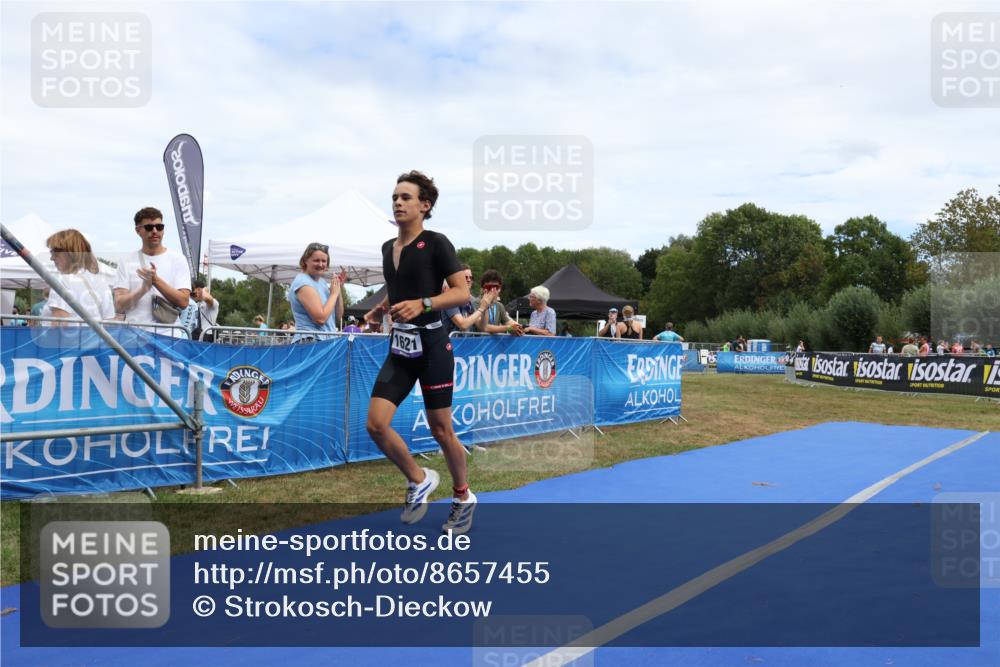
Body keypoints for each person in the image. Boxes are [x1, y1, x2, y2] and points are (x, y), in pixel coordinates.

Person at [363, 170, 476, 535]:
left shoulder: (437, 243)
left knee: (442, 430)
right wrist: (382, 307)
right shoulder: (386, 248)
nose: (398, 202)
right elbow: (399, 289)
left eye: (406, 197)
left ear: (425, 206)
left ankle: (463, 497)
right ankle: (419, 478)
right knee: (376, 425)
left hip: (432, 345)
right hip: (401, 347)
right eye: (395, 197)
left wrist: (424, 303)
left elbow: (460, 293)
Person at [112, 207, 190, 335]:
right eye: (149, 227)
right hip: (135, 336)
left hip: (169, 336)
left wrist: (156, 281)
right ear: (138, 230)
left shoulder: (178, 259)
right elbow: (119, 305)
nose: (155, 231)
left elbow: (183, 302)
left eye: (159, 227)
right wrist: (143, 289)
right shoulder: (126, 261)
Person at [44, 229, 117, 325]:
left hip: (67, 340)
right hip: (96, 339)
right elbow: (110, 324)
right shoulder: (102, 283)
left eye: (54, 252)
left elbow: (59, 327)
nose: (51, 258)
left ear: (70, 253)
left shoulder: (61, 282)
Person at [288, 243, 345, 343]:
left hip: (325, 342)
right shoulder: (303, 282)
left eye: (324, 261)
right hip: (310, 342)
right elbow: (320, 319)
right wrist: (333, 294)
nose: (321, 264)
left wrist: (338, 289)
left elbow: (338, 315)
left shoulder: (322, 282)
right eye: (316, 260)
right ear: (305, 260)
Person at [444, 264, 496, 332]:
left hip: (464, 342)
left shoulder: (469, 301)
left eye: (471, 278)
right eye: (465, 277)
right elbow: (463, 325)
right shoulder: (450, 298)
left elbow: (482, 327)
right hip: (451, 342)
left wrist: (485, 307)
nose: (469, 280)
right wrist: (481, 308)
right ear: (457, 279)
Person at [474, 270, 523, 336]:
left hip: (494, 345)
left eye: (496, 287)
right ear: (483, 288)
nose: (492, 290)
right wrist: (508, 328)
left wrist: (519, 327)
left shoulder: (499, 306)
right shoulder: (476, 303)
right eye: (489, 287)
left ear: (499, 289)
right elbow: (483, 327)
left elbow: (509, 322)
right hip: (478, 344)